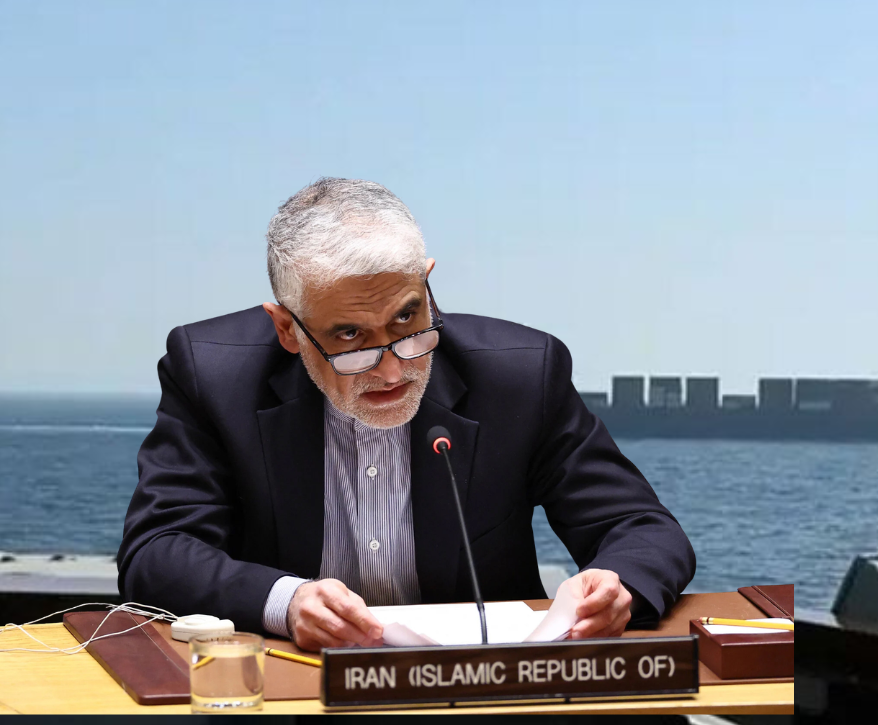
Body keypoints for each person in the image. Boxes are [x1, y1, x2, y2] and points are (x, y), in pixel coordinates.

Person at [118, 179, 696, 651]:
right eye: (350, 337)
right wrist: (286, 602)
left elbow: (642, 529)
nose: (393, 370)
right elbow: (156, 551)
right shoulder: (213, 375)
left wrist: (616, 587)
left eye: (406, 320)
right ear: (287, 329)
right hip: (291, 696)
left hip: (487, 699)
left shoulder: (521, 376)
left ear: (427, 285)